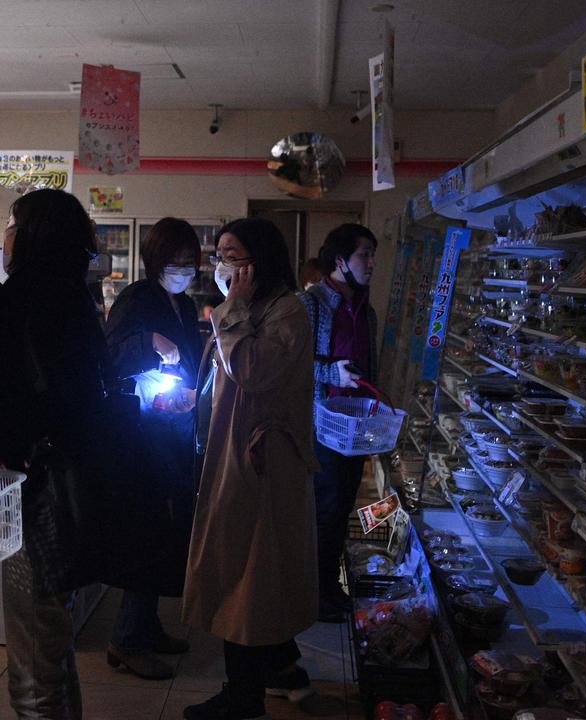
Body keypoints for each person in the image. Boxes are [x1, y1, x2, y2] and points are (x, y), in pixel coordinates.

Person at [0, 189, 112, 720]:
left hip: (40, 489)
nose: (7, 234)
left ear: (36, 235)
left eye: (13, 223)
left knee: (33, 643)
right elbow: (1, 310)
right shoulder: (54, 291)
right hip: (54, 482)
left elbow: (49, 401)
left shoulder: (46, 299)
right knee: (49, 635)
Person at [182, 217, 320, 720]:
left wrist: (231, 312)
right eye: (220, 254)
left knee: (248, 576)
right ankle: (280, 670)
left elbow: (253, 372)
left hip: (261, 464)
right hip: (233, 456)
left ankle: (244, 698)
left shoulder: (287, 311)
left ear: (260, 258)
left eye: (235, 255)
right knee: (247, 573)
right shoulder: (255, 308)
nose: (225, 265)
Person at [101, 218, 203, 680]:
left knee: (166, 529)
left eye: (189, 263)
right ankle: (126, 637)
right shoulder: (137, 298)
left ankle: (145, 626)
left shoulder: (182, 302)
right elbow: (111, 354)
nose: (182, 271)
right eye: (174, 263)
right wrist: (148, 342)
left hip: (172, 428)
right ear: (155, 261)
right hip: (142, 435)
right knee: (147, 530)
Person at [298, 223, 379, 623]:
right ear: (340, 261)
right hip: (322, 426)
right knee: (324, 511)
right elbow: (292, 362)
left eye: (372, 255)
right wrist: (333, 375)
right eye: (365, 255)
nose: (371, 263)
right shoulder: (310, 304)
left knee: (342, 507)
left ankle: (328, 587)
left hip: (357, 427)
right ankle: (312, 593)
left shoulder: (367, 308)